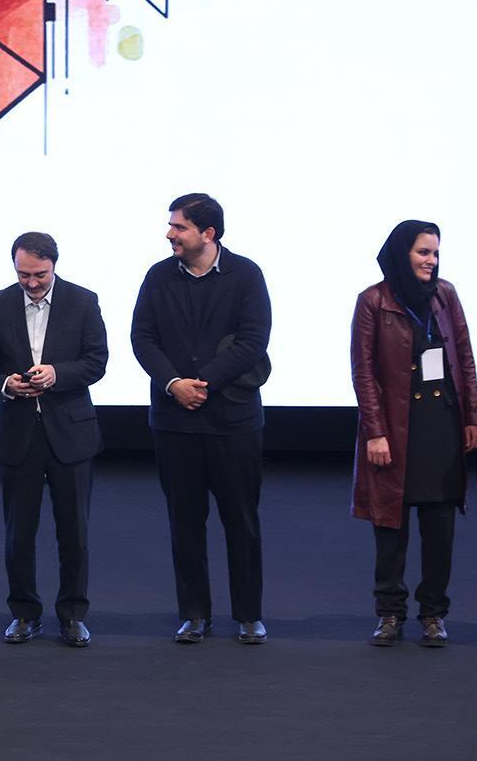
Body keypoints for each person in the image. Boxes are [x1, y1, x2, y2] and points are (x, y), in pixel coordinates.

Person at [130, 193, 271, 645]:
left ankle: (248, 615)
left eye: (179, 227)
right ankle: (194, 614)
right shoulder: (158, 276)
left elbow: (253, 340)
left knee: (241, 522)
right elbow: (142, 338)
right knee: (184, 523)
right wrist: (174, 383)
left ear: (207, 233)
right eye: (171, 225)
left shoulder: (245, 274)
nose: (169, 234)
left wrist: (202, 382)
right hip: (175, 423)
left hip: (233, 422)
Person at [350, 220, 477, 648]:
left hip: (440, 424)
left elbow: (464, 357)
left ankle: (433, 614)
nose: (431, 261)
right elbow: (364, 372)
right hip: (393, 425)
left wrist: (474, 416)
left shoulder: (445, 295)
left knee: (439, 527)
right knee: (391, 527)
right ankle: (390, 613)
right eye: (423, 252)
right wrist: (375, 431)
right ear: (401, 253)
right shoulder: (373, 300)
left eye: (435, 253)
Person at [0, 232, 107, 647]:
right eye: (23, 274)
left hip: (70, 433)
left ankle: (73, 615)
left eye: (40, 275)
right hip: (17, 433)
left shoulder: (83, 301)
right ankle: (24, 614)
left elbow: (96, 361)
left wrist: (57, 374)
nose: (31, 283)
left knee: (74, 531)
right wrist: (6, 385)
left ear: (54, 266)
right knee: (19, 533)